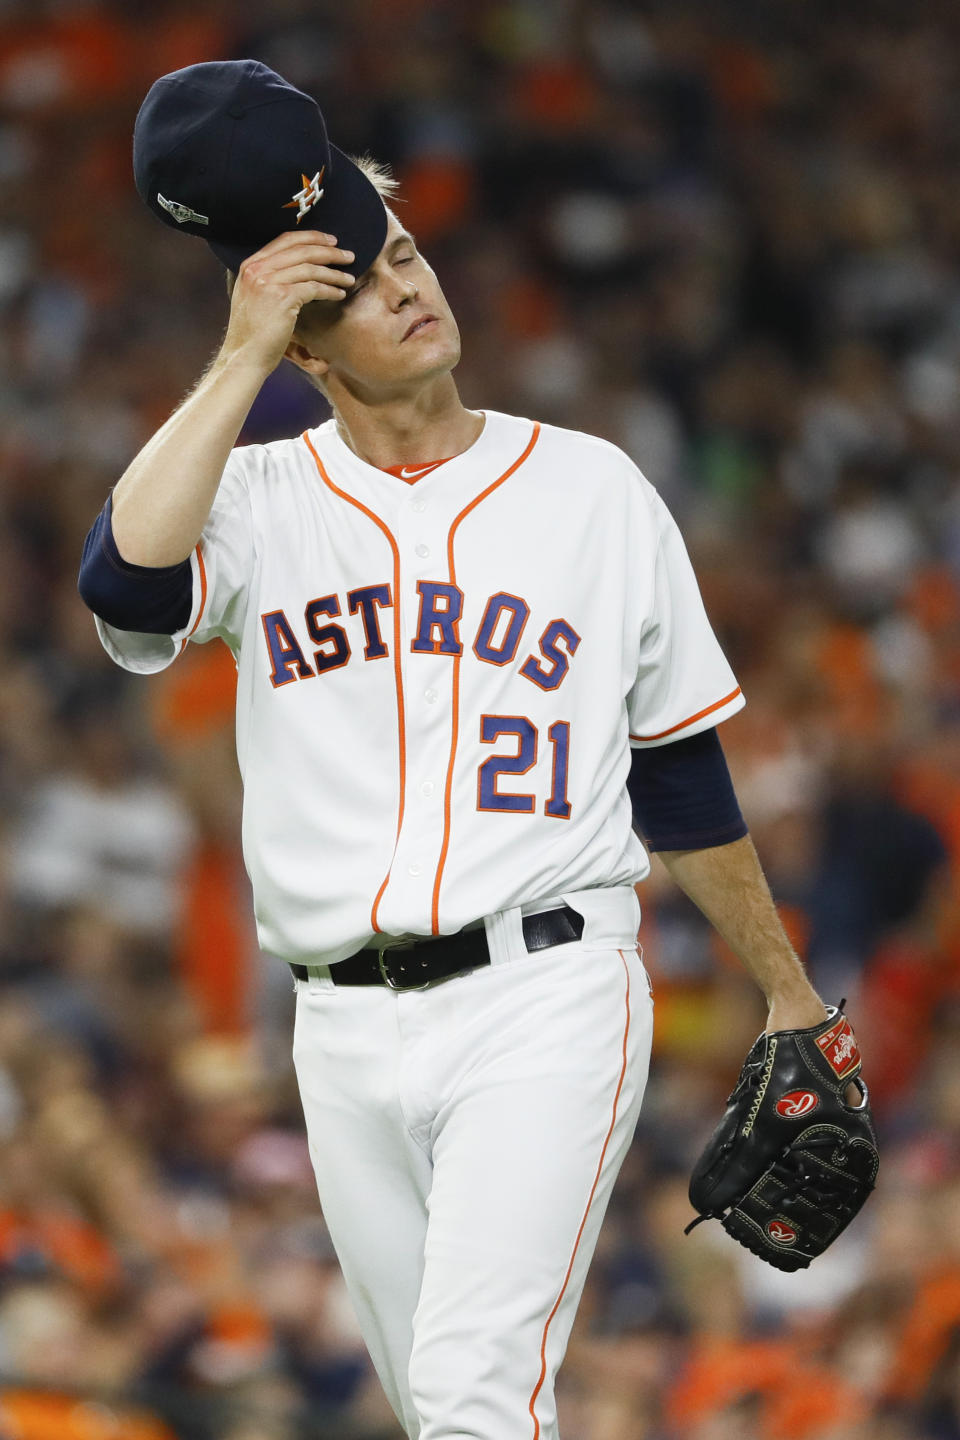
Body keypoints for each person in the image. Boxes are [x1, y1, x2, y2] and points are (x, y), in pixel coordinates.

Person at [79, 60, 835, 1440]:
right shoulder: (251, 500)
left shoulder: (594, 489)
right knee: (443, 1411)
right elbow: (125, 589)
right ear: (304, 348)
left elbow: (676, 776)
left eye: (408, 254)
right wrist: (240, 356)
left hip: (545, 988)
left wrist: (783, 986)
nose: (408, 288)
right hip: (342, 1023)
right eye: (356, 289)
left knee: (478, 1395)